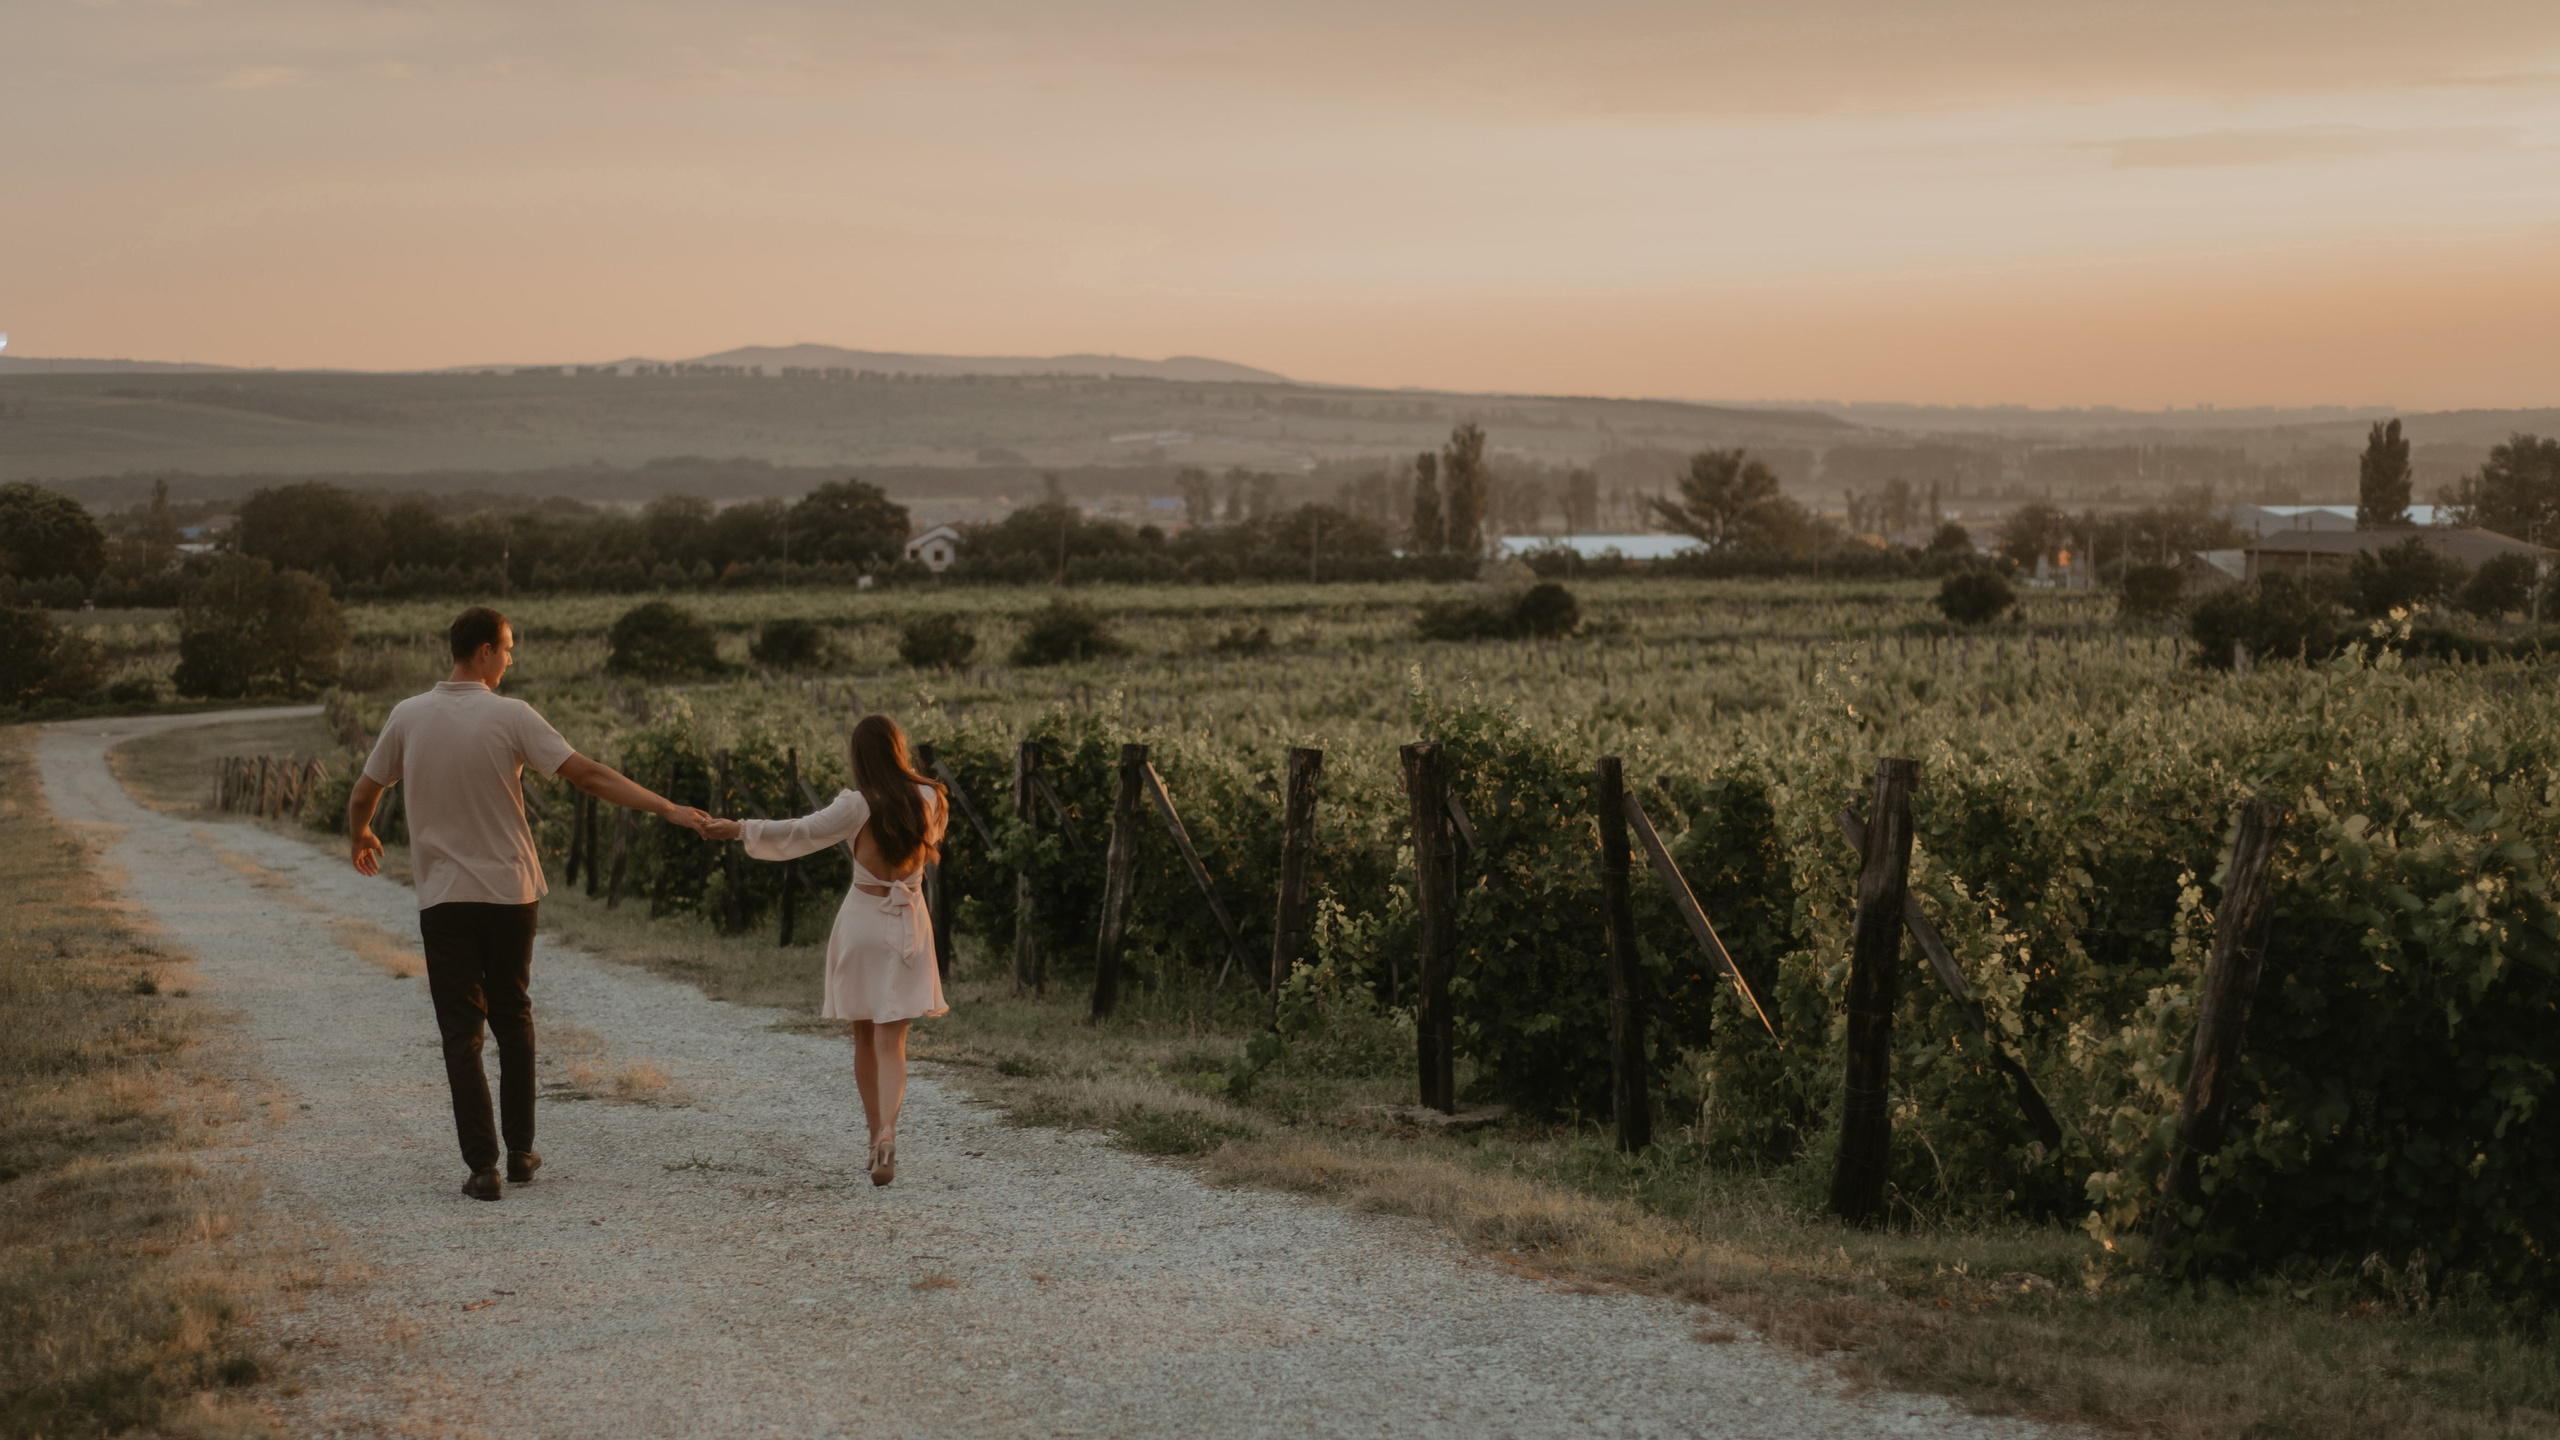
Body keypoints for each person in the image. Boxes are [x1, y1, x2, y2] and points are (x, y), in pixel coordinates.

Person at [347, 606, 713, 1202]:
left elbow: (366, 789)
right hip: (510, 893)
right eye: (509, 648)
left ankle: (483, 1167)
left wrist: (361, 834)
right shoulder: (511, 716)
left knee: (460, 1032)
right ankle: (520, 1152)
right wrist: (668, 808)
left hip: (443, 898)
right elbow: (588, 775)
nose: (512, 659)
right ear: (485, 651)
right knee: (513, 1017)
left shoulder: (408, 716)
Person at [697, 714, 947, 1186]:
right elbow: (929, 844)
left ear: (859, 757)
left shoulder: (857, 804)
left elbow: (800, 832)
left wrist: (737, 829)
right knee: (893, 1042)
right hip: (908, 921)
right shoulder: (932, 797)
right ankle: (890, 1133)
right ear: (898, 749)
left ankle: (874, 1138)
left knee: (864, 1037)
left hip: (863, 923)